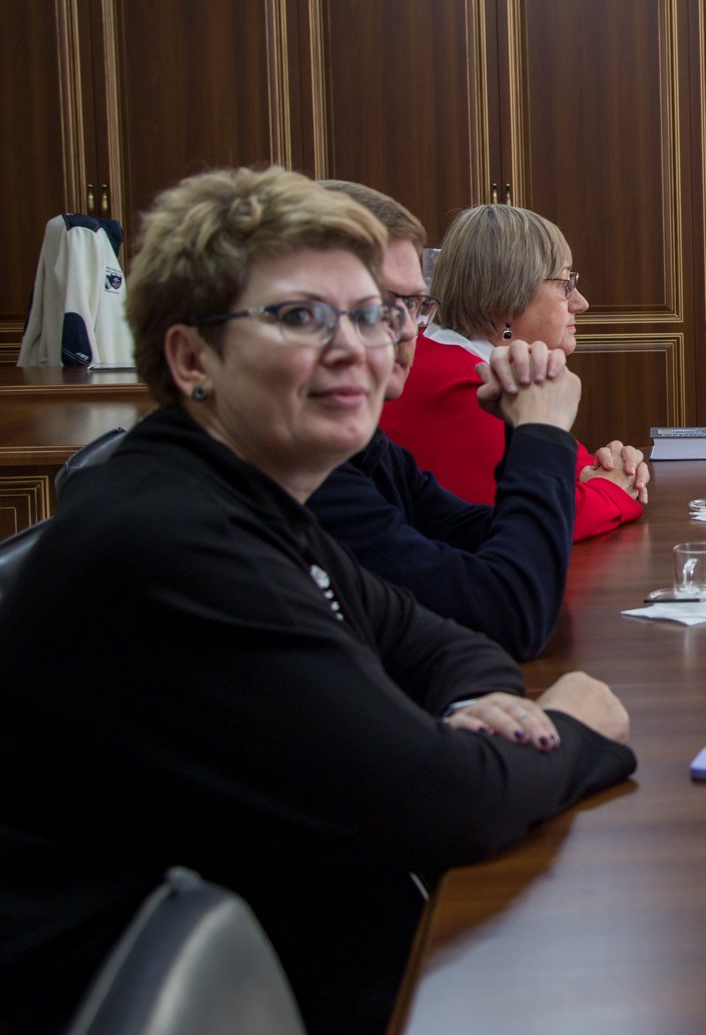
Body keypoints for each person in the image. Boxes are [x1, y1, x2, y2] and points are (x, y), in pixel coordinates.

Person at [0, 167, 635, 1035]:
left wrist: (468, 711)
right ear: (192, 359)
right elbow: (440, 803)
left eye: (373, 315)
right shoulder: (173, 541)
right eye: (302, 317)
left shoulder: (261, 493)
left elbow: (450, 644)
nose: (361, 348)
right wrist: (570, 726)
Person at [308, 182, 581, 659]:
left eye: (410, 308)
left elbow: (486, 543)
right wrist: (540, 431)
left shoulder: (356, 451)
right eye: (306, 316)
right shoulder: (305, 480)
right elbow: (511, 610)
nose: (393, 338)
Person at [381, 203, 648, 541]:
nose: (581, 302)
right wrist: (614, 489)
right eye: (565, 284)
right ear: (506, 301)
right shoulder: (467, 384)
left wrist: (614, 464)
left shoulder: (461, 358)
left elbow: (571, 470)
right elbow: (546, 518)